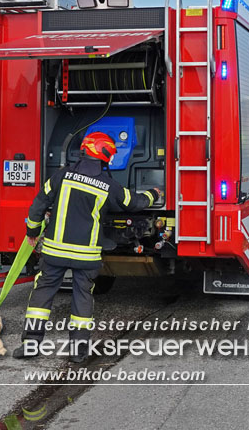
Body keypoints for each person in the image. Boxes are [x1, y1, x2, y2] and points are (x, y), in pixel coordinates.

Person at [13, 132, 161, 362]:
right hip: (86, 256)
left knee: (42, 297)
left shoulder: (61, 176)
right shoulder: (108, 185)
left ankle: (30, 345)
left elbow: (38, 206)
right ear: (105, 157)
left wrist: (32, 232)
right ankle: (78, 352)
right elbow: (135, 202)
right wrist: (154, 194)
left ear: (84, 151)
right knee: (82, 299)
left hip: (54, 253)